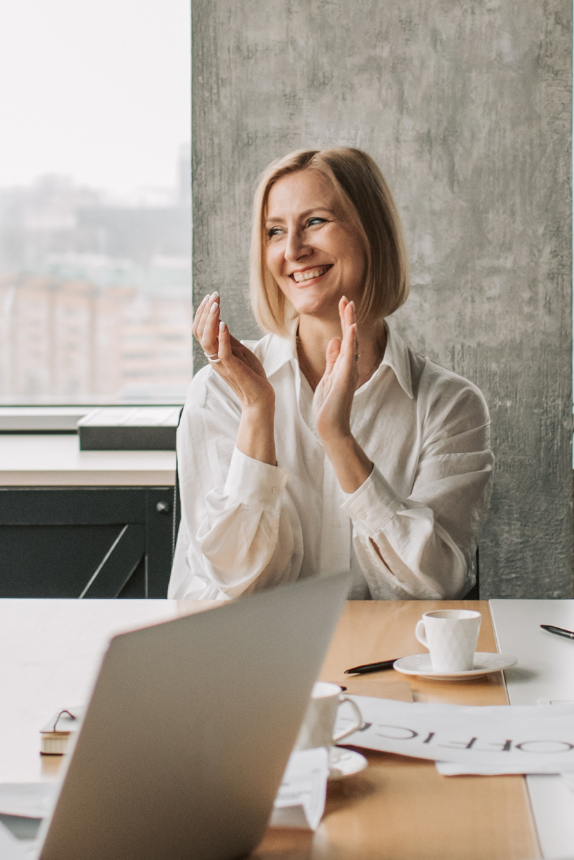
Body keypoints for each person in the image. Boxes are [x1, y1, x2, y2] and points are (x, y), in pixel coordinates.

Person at [170, 147, 494, 600]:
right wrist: (258, 414)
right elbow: (234, 585)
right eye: (275, 231)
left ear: (372, 233)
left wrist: (339, 440)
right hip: (249, 664)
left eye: (315, 222)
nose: (293, 250)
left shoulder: (449, 406)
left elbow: (434, 588)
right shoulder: (218, 393)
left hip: (386, 665)